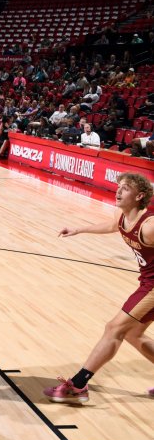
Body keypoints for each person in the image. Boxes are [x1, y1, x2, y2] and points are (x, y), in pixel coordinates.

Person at [44, 173, 154, 404]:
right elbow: (113, 225)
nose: (119, 191)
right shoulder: (122, 216)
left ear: (140, 196)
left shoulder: (150, 226)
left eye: (126, 188)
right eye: (119, 186)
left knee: (114, 328)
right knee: (133, 335)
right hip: (146, 282)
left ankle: (79, 384)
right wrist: (79, 229)